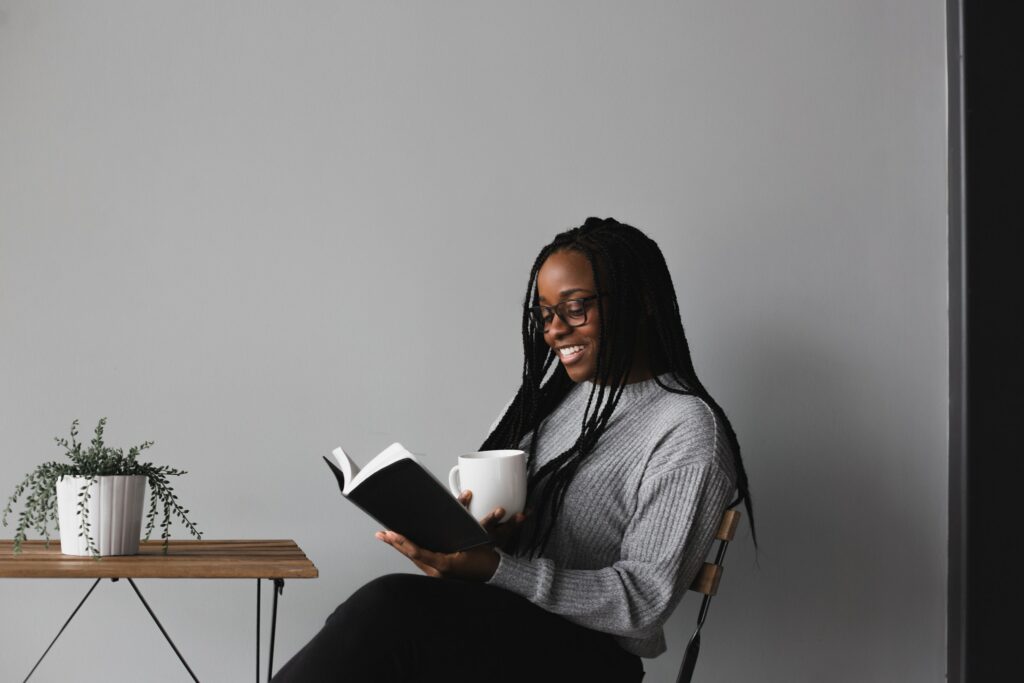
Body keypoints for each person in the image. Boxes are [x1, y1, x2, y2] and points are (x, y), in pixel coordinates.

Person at [271, 217, 755, 682]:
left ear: (642, 300)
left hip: (588, 660)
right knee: (369, 627)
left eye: (575, 307)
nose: (554, 330)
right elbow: (519, 551)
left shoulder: (687, 429)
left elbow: (643, 602)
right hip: (508, 629)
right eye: (544, 314)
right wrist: (475, 547)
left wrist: (500, 569)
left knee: (387, 611)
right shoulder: (547, 403)